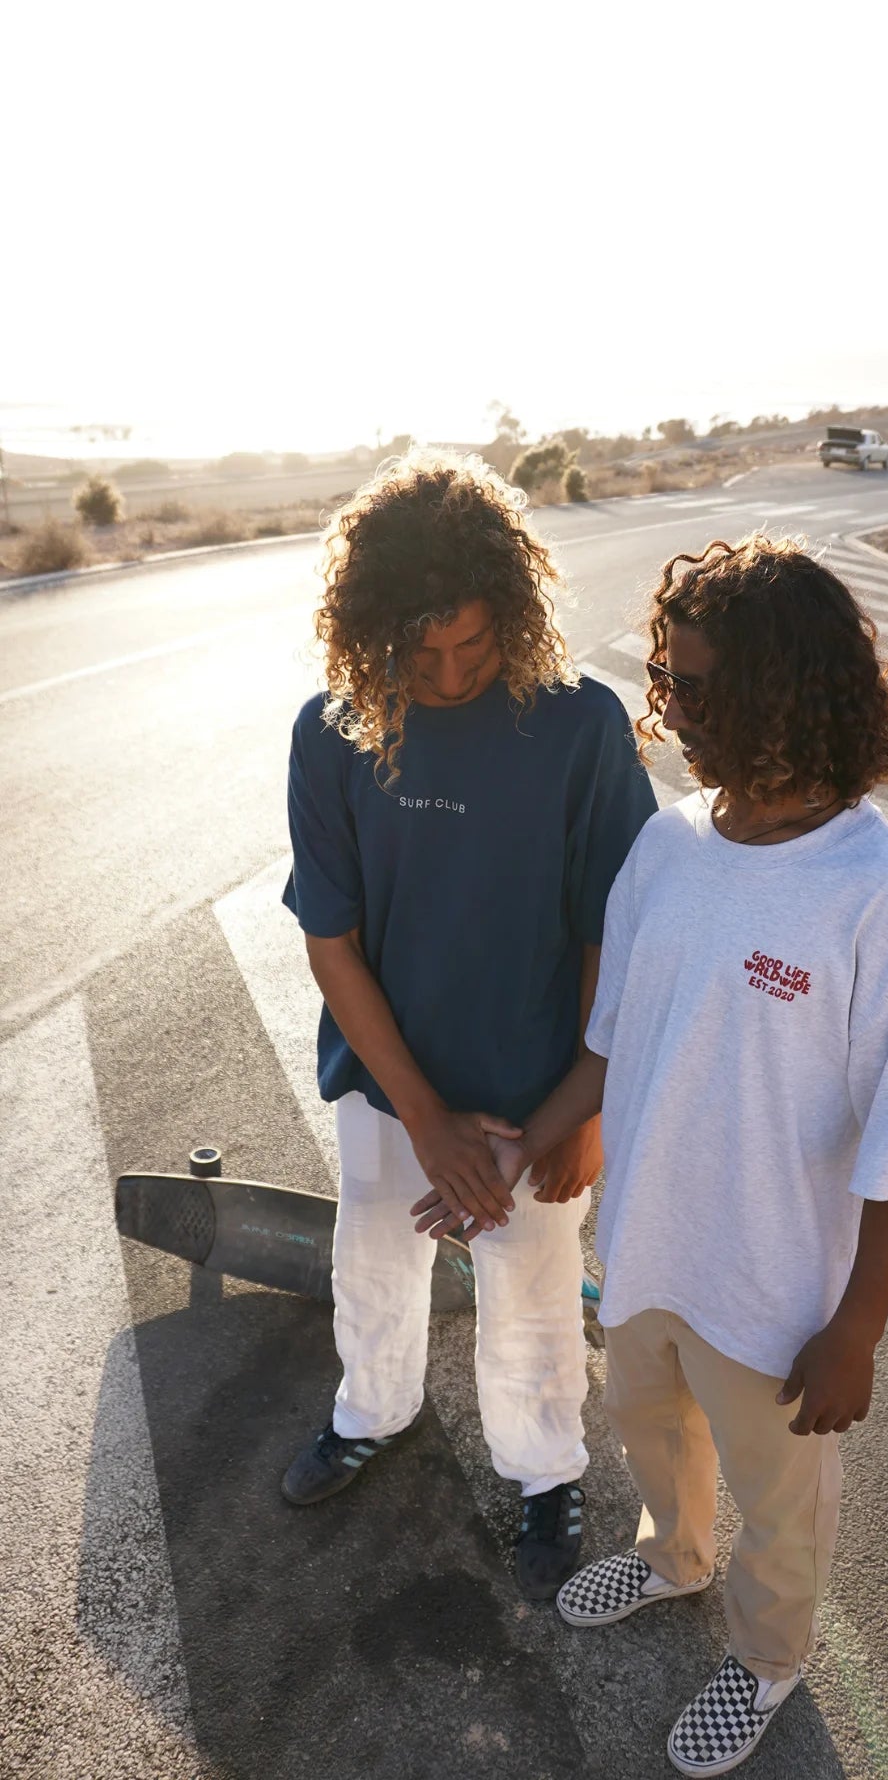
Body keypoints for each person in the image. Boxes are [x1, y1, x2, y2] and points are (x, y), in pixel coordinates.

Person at [426, 534, 888, 1772]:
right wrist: (518, 1153)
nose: (672, 707)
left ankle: (770, 1658)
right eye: (670, 678)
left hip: (778, 1298)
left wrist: (858, 1330)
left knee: (784, 1510)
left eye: (699, 685)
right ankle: (675, 1553)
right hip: (651, 1250)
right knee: (650, 1427)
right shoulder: (668, 847)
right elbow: (611, 1044)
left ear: (790, 691)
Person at [280, 449, 656, 1600]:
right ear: (369, 631)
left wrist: (575, 1111)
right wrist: (428, 1119)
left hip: (540, 1080)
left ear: (518, 615)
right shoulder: (333, 730)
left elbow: (614, 930)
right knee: (375, 1260)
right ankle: (369, 1413)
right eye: (417, 650)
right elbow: (332, 942)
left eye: (474, 648)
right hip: (393, 1081)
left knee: (534, 1283)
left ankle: (546, 1471)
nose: (445, 675)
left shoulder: (583, 726)